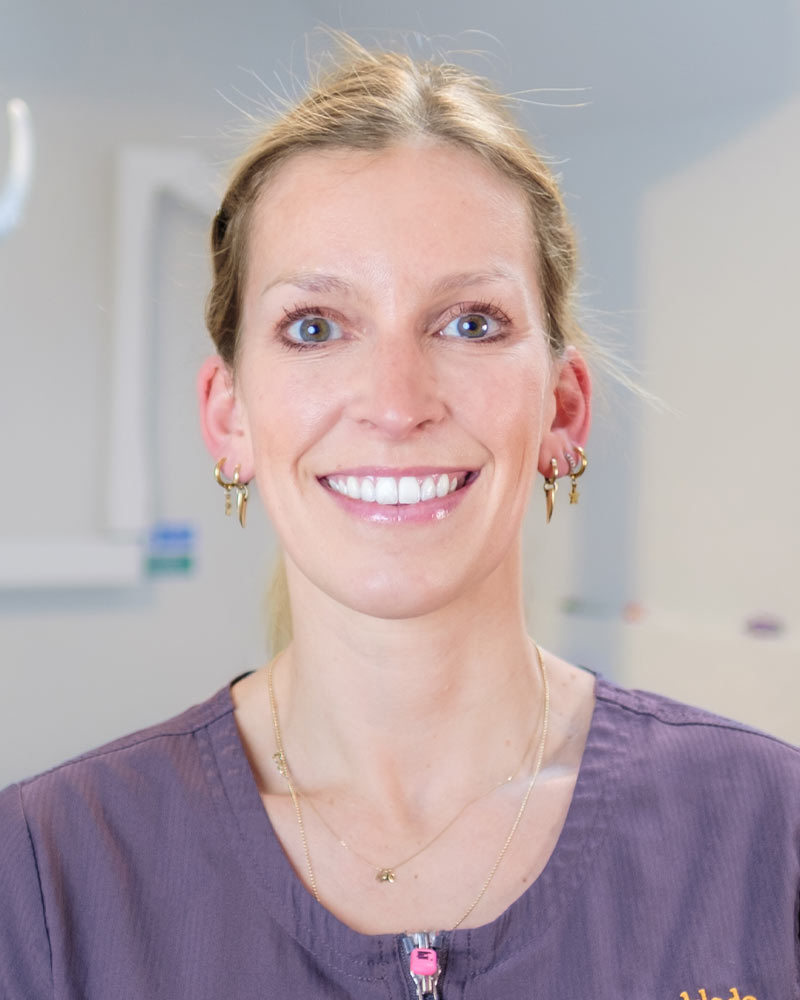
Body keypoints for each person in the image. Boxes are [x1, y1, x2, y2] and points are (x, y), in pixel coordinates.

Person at [1, 39, 798, 1000]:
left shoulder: (769, 836)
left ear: (564, 408)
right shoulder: (46, 873)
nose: (394, 401)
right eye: (315, 327)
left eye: (469, 322)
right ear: (229, 418)